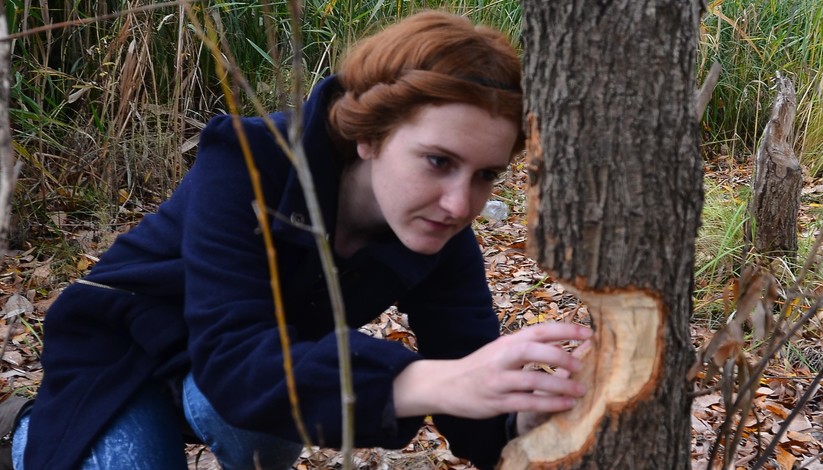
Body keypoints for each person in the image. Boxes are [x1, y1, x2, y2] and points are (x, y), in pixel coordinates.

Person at [0, 10, 590, 470]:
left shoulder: (439, 234)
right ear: (371, 135)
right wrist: (425, 379)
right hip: (123, 356)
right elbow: (235, 359)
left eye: (485, 175)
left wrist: (524, 419)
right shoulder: (251, 158)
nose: (461, 204)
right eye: (437, 161)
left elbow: (472, 400)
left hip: (241, 387)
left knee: (263, 427)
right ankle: (25, 431)